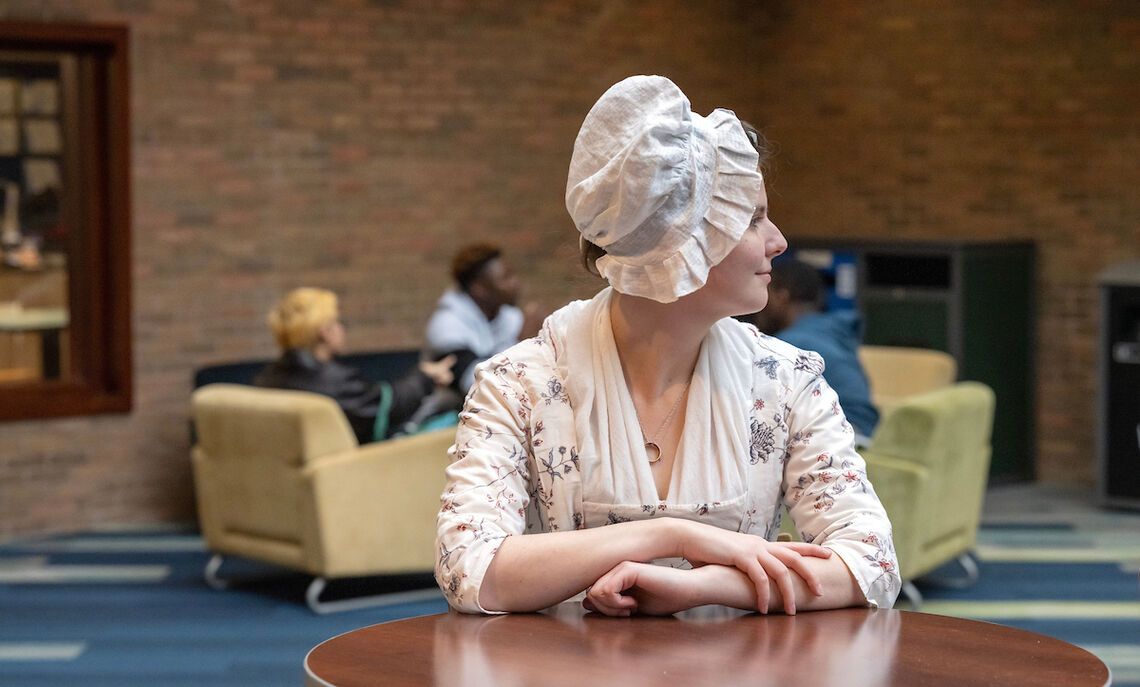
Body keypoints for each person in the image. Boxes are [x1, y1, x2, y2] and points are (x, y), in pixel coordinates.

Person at [435, 75, 899, 618]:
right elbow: (470, 571)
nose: (779, 241)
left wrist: (703, 586)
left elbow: (873, 564)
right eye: (752, 219)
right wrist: (670, 536)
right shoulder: (519, 385)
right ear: (681, 243)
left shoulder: (787, 380)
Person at [254, 287, 456, 444]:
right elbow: (387, 406)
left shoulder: (266, 378)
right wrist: (425, 377)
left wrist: (422, 374)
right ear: (325, 332)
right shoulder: (333, 381)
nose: (341, 329)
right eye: (337, 323)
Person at [743, 258, 880, 439]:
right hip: (866, 434)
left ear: (781, 296)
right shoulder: (829, 331)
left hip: (843, 436)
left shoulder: (789, 345)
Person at [423, 243, 539, 394]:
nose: (516, 283)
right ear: (480, 289)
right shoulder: (446, 327)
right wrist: (522, 342)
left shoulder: (510, 316)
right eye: (506, 277)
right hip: (449, 412)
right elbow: (475, 386)